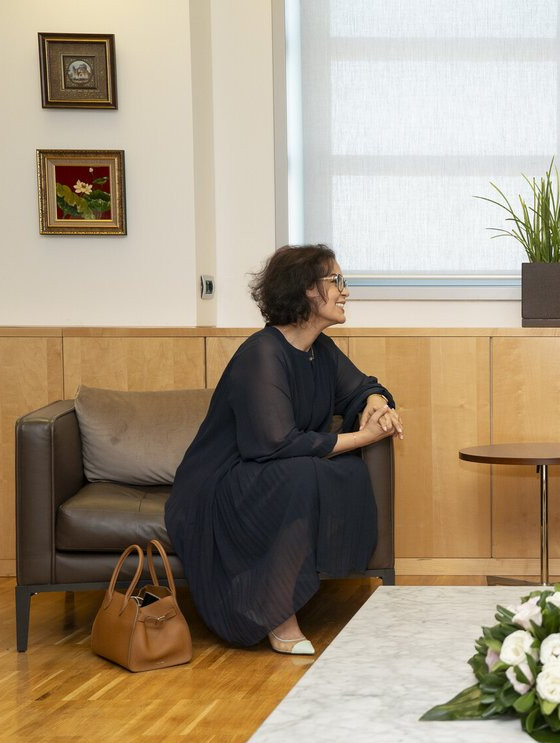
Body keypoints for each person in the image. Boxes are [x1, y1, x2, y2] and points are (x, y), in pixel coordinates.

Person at [165, 244, 403, 655]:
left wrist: (376, 401)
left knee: (344, 471)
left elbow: (361, 386)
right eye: (336, 281)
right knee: (301, 473)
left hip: (271, 470)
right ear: (308, 289)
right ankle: (277, 613)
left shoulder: (318, 350)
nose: (345, 291)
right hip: (225, 480)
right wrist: (363, 438)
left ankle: (289, 595)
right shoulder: (262, 352)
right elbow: (275, 442)